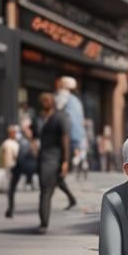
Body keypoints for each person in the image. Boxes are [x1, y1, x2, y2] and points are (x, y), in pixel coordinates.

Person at [34, 92, 69, 234]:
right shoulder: (40, 117)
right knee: (45, 189)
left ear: (52, 102)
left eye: (47, 100)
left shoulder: (59, 117)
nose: (45, 103)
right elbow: (35, 135)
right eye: (43, 100)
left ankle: (44, 223)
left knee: (46, 190)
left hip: (55, 157)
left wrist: (65, 161)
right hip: (42, 157)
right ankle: (43, 221)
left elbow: (65, 138)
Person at [53, 75, 83, 209]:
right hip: (63, 141)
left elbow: (74, 124)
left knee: (57, 172)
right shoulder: (74, 101)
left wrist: (75, 144)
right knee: (57, 173)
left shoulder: (67, 100)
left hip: (63, 142)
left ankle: (69, 198)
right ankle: (70, 198)